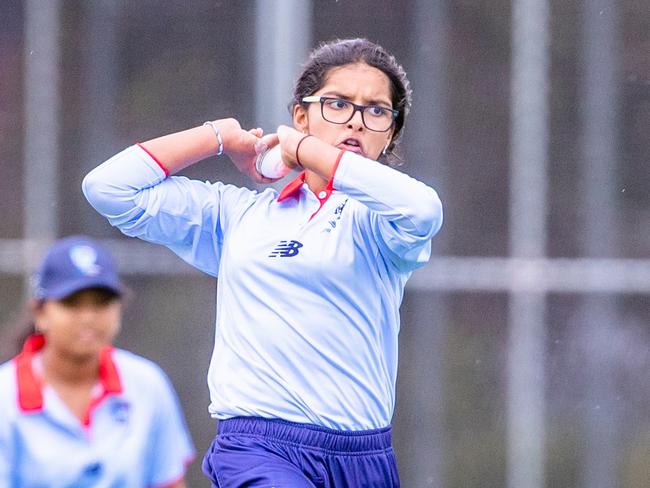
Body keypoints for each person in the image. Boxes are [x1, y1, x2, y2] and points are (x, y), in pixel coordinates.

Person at [83, 38, 443, 487]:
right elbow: (108, 188)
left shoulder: (382, 224)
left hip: (362, 457)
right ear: (300, 115)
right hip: (258, 448)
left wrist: (304, 151)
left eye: (376, 110)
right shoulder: (239, 215)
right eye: (337, 103)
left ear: (390, 132)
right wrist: (220, 136)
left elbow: (423, 210)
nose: (355, 120)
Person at [0, 235, 195, 488]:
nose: (89, 317)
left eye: (102, 303)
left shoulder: (148, 384)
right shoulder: (4, 395)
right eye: (71, 303)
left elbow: (169, 483)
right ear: (40, 313)